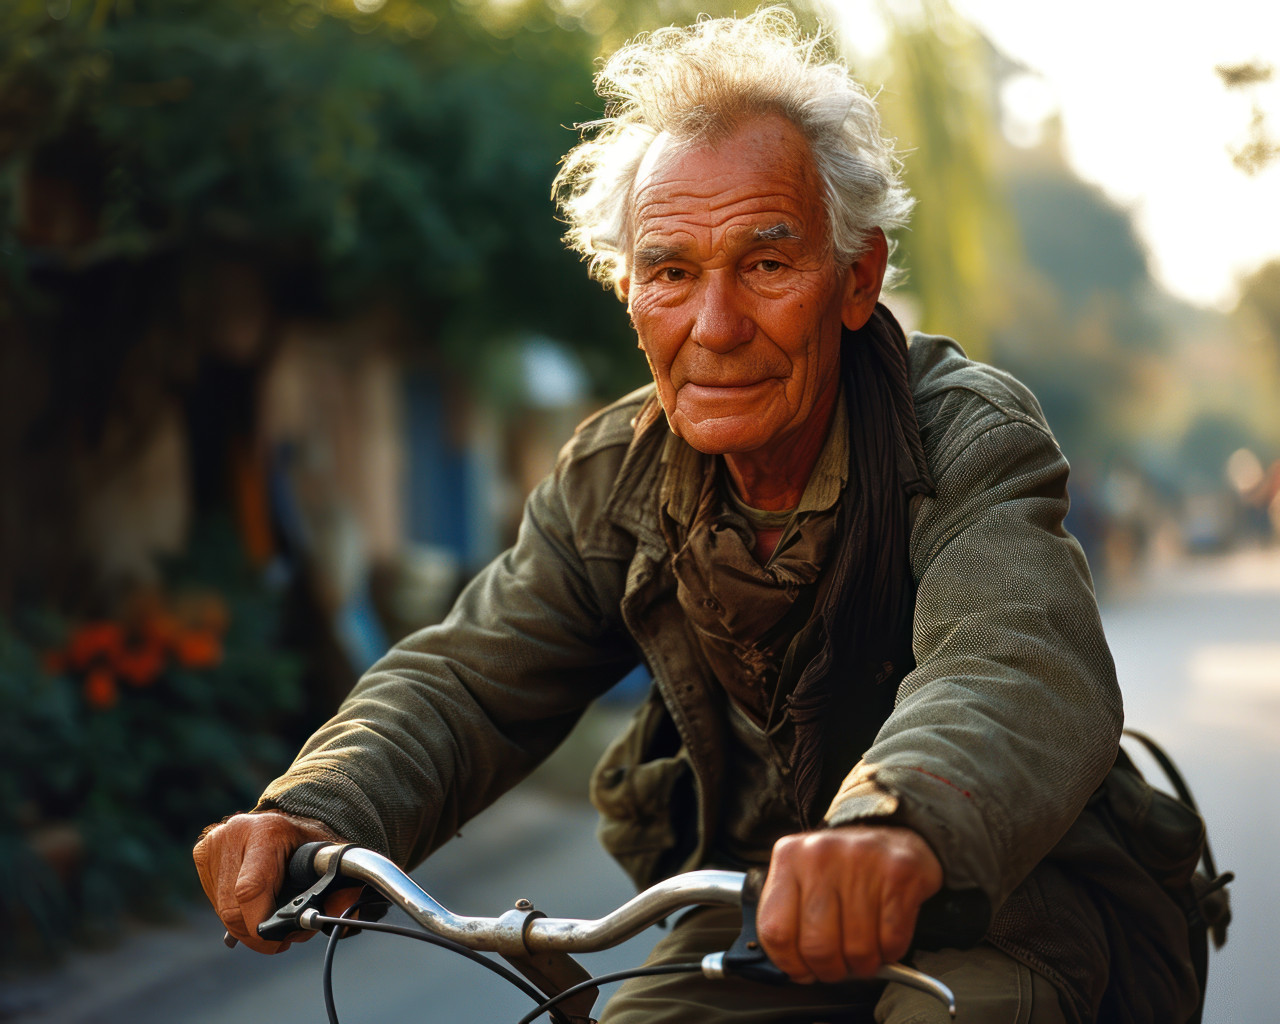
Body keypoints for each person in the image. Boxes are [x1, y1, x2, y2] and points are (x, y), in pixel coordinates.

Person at [194, 10, 1200, 1023]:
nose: (713, 328)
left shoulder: (963, 434)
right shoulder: (612, 476)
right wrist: (320, 801)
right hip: (753, 907)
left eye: (765, 265)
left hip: (995, 898)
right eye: (670, 272)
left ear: (855, 280)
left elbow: (1008, 660)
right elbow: (470, 675)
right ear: (627, 289)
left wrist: (894, 827)